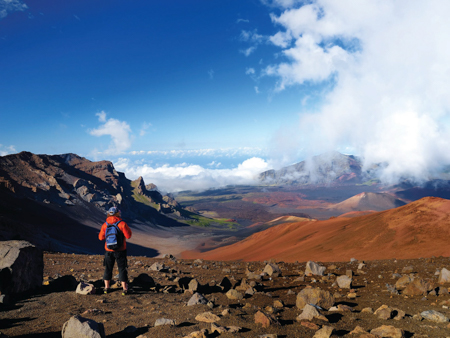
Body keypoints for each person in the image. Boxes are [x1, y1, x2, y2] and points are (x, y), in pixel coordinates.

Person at [98, 206, 132, 295]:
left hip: (108, 250)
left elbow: (100, 237)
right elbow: (128, 235)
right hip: (120, 250)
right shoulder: (122, 223)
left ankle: (106, 288)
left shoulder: (105, 224)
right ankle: (125, 288)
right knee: (122, 268)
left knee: (108, 268)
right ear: (118, 213)